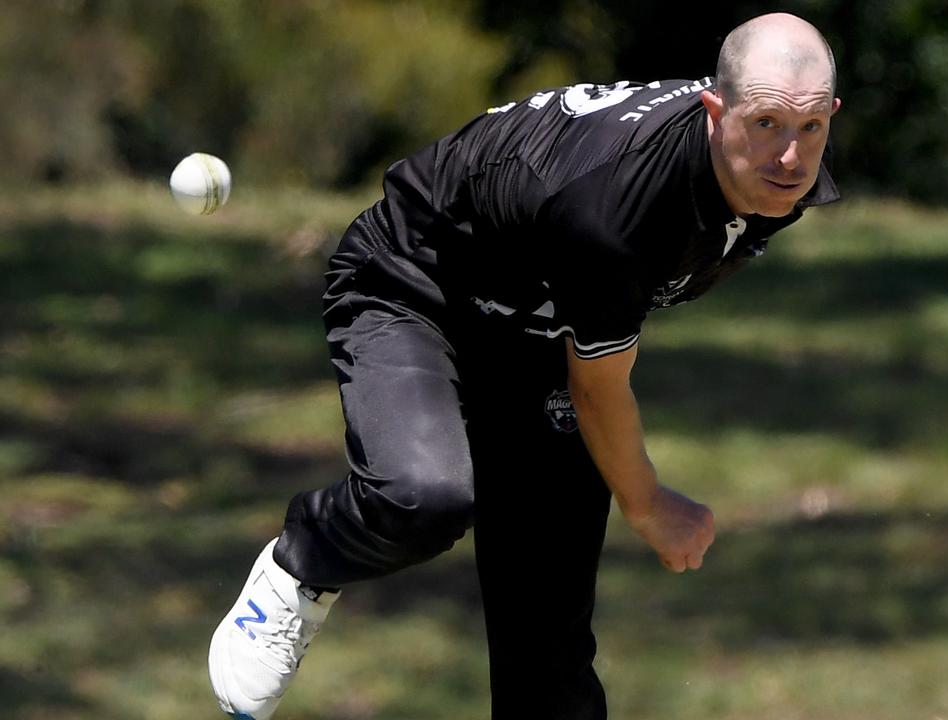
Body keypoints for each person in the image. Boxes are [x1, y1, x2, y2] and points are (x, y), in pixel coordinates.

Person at [208, 11, 842, 720]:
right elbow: (599, 391)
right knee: (421, 497)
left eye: (810, 128)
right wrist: (648, 503)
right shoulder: (618, 209)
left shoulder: (776, 176)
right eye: (765, 126)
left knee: (549, 647)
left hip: (539, 329)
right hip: (416, 290)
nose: (789, 157)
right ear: (712, 109)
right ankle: (303, 560)